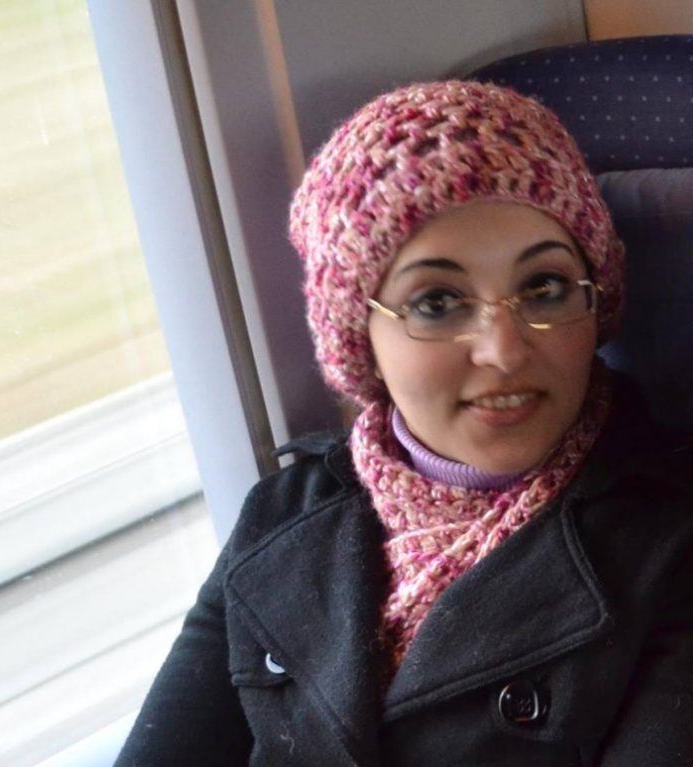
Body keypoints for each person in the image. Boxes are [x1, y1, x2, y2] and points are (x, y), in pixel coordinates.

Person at [115, 81, 693, 766]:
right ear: (360, 335)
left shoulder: (672, 541)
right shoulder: (283, 513)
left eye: (544, 288)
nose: (504, 350)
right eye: (438, 302)